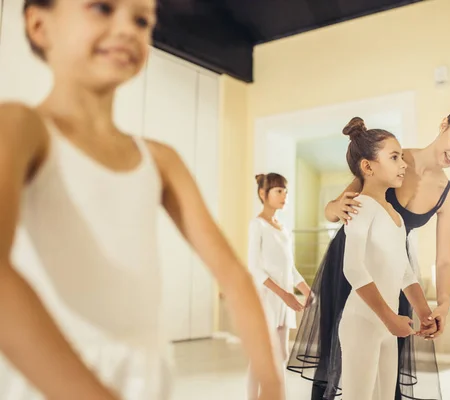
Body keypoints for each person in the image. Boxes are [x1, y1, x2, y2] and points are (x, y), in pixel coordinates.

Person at [0, 1, 282, 399]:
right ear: (39, 24)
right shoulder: (19, 127)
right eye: (101, 8)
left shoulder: (161, 159)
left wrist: (270, 383)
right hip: (53, 376)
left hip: (143, 376)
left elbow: (235, 278)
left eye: (141, 20)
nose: (127, 29)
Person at [289, 95, 450, 400]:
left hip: (393, 272)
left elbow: (445, 260)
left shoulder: (447, 196)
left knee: (384, 371)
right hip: (348, 263)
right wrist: (334, 206)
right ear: (444, 124)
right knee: (337, 362)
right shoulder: (391, 157)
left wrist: (442, 304)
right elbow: (333, 212)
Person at [336, 118, 432, 399]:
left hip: (387, 325)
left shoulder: (395, 216)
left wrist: (425, 313)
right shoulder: (360, 206)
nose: (403, 164)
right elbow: (353, 268)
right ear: (368, 166)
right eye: (394, 157)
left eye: (402, 157)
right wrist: (390, 318)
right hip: (363, 322)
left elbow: (405, 273)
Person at [247, 173, 311, 400]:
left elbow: (289, 267)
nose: (284, 195)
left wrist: (305, 290)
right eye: (278, 191)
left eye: (285, 191)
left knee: (281, 355)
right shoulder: (257, 225)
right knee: (261, 358)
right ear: (263, 194)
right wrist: (286, 295)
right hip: (266, 300)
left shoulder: (283, 229)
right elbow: (255, 268)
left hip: (283, 304)